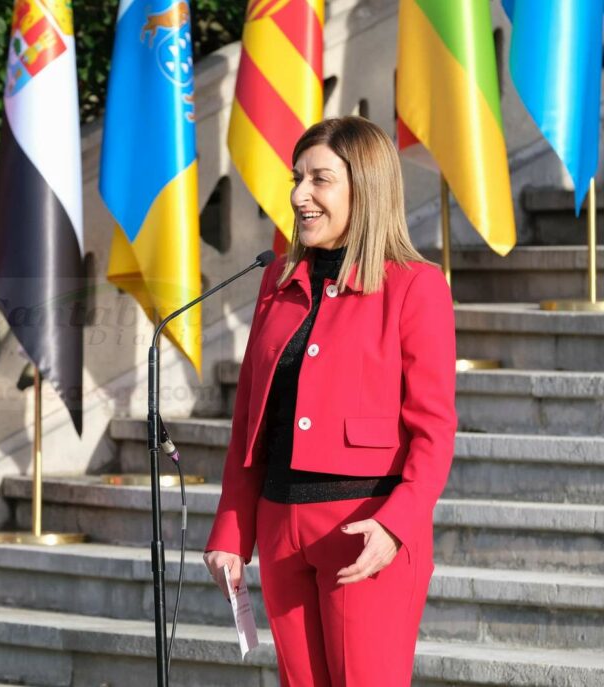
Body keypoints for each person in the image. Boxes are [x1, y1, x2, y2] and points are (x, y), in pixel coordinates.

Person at [203, 116, 456, 686]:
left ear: (363, 186)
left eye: (320, 179)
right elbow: (251, 420)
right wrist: (231, 527)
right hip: (279, 528)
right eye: (298, 178)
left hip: (365, 533)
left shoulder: (416, 286)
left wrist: (395, 526)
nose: (299, 195)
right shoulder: (278, 282)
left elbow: (434, 432)